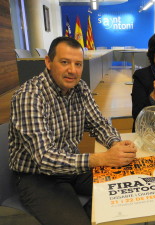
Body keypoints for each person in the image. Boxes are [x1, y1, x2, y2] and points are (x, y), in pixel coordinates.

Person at [8, 37, 137, 225]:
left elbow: (98, 123)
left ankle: (82, 212)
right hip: (38, 177)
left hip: (73, 167)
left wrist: (115, 144)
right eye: (64, 62)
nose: (73, 70)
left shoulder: (80, 88)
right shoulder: (30, 97)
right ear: (48, 62)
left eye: (78, 64)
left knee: (128, 185)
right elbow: (44, 158)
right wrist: (102, 158)